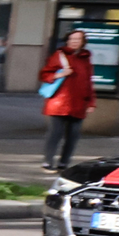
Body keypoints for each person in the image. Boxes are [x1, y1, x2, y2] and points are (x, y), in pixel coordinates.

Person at [42, 27, 96, 171]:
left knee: (73, 136)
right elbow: (45, 74)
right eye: (71, 39)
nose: (74, 42)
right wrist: (59, 74)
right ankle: (48, 161)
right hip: (59, 102)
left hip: (79, 103)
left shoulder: (85, 59)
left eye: (77, 39)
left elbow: (88, 82)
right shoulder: (60, 55)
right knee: (55, 133)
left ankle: (64, 163)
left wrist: (91, 102)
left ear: (83, 42)